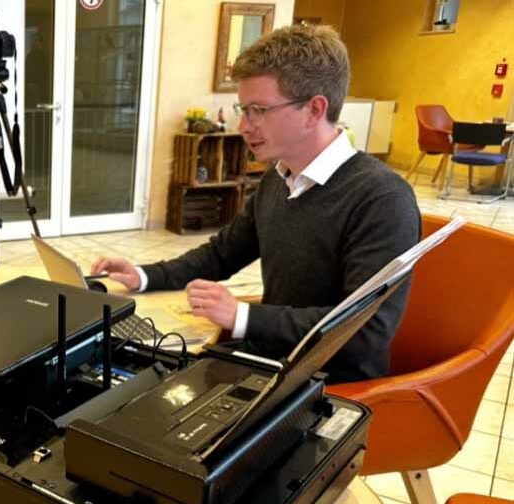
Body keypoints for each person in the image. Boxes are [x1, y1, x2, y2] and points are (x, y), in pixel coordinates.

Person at [92, 25, 420, 383]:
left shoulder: (382, 199)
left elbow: (363, 332)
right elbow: (221, 254)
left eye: (258, 110)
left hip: (327, 387)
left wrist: (243, 317)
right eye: (243, 109)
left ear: (314, 109)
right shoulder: (278, 179)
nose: (243, 125)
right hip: (268, 360)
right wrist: (142, 275)